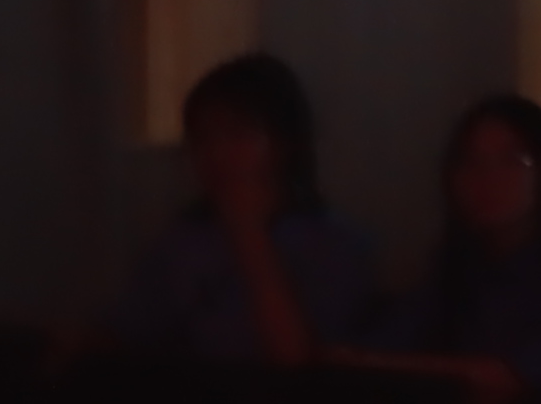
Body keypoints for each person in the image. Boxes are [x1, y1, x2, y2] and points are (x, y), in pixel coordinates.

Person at [106, 53, 377, 365]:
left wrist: (248, 232)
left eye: (237, 134)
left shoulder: (335, 245)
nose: (217, 153)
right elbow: (126, 337)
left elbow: (299, 360)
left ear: (285, 142)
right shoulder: (180, 243)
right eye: (202, 138)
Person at [392, 95, 541, 402]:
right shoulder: (456, 262)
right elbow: (391, 342)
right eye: (471, 162)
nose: (488, 178)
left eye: (513, 161)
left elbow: (514, 378)